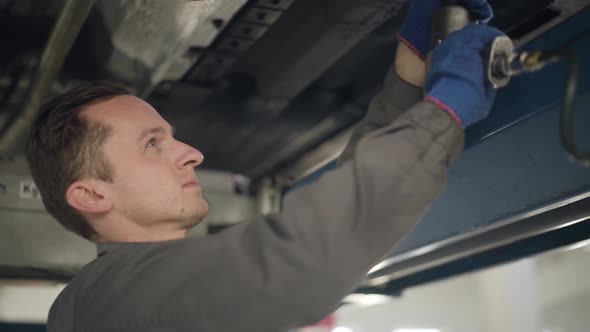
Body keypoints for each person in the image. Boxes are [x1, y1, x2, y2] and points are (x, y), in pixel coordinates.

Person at [26, 0, 503, 331]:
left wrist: (412, 68)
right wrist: (444, 114)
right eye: (153, 144)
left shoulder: (147, 293)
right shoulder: (103, 304)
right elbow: (301, 259)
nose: (192, 153)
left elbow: (329, 218)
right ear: (91, 195)